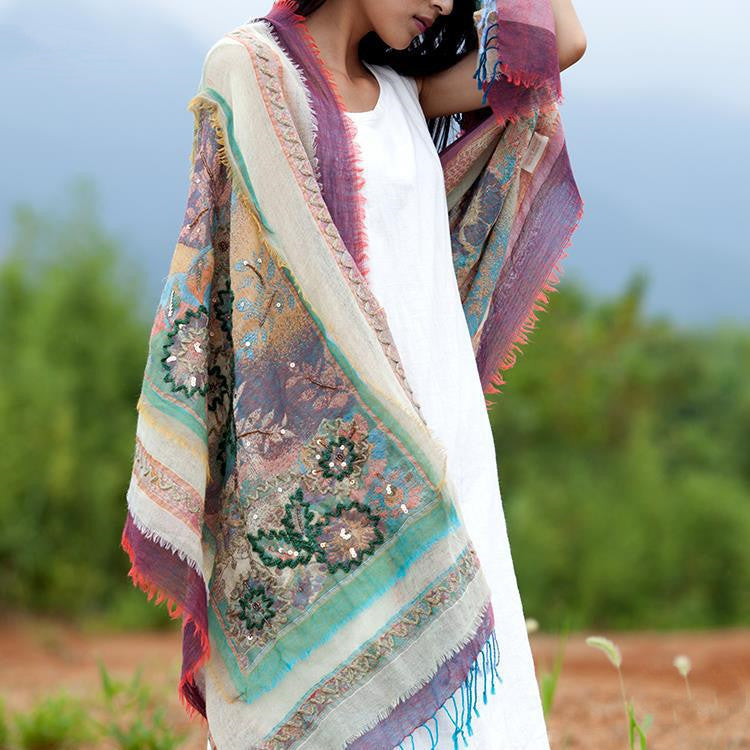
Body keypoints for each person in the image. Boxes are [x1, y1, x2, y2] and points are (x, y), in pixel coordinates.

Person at [122, 1, 586, 748]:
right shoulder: (252, 69)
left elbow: (560, 42)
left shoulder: (408, 91)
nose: (445, 4)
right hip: (341, 458)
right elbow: (281, 290)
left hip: (445, 436)